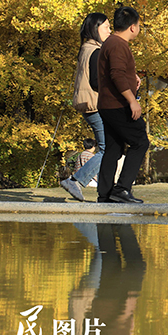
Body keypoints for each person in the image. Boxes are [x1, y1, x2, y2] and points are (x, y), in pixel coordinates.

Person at [96, 5, 149, 204]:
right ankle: (122, 188)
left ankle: (105, 193)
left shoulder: (109, 43)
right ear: (133, 27)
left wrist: (132, 76)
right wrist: (132, 100)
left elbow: (117, 71)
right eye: (138, 25)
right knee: (140, 141)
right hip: (118, 104)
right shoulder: (118, 45)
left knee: (114, 147)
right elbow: (116, 74)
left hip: (106, 104)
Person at [61, 13, 111, 202]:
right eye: (106, 26)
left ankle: (105, 190)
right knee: (107, 148)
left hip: (89, 104)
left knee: (110, 148)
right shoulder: (95, 51)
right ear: (96, 28)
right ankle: (76, 180)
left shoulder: (86, 48)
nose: (109, 30)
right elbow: (97, 82)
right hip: (95, 105)